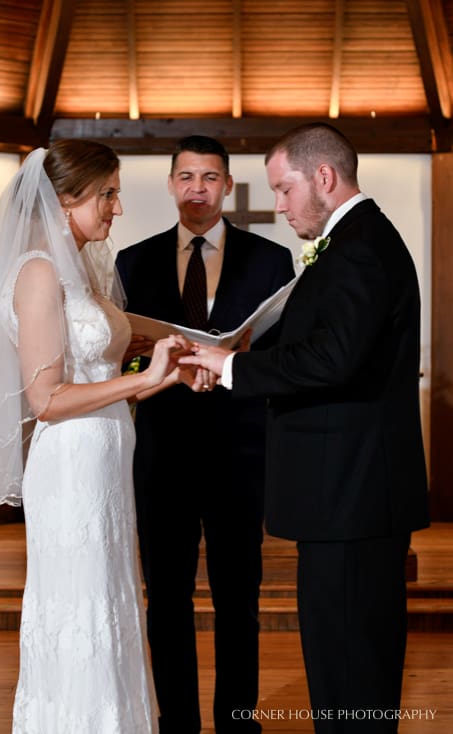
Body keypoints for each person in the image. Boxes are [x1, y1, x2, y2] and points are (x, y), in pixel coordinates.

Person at [181, 123, 430, 733]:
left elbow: (333, 358)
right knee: (346, 667)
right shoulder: (357, 241)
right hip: (347, 495)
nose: (280, 204)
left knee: (350, 670)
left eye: (285, 189)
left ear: (324, 177)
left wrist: (233, 364)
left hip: (352, 496)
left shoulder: (361, 246)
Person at [0, 139, 212, 733]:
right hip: (71, 468)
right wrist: (144, 379)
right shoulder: (38, 272)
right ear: (63, 199)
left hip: (105, 461)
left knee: (112, 604)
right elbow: (46, 400)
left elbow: (106, 383)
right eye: (107, 194)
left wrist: (173, 373)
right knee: (81, 607)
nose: (117, 208)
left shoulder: (82, 267)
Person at [115, 136, 295, 733]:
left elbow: (283, 355)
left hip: (240, 448)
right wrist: (153, 364)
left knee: (238, 600)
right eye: (186, 177)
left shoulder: (271, 261)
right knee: (165, 600)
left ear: (227, 185)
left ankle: (237, 721)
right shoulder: (132, 262)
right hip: (163, 449)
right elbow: (123, 363)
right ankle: (179, 722)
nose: (198, 189)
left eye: (210, 177)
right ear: (170, 185)